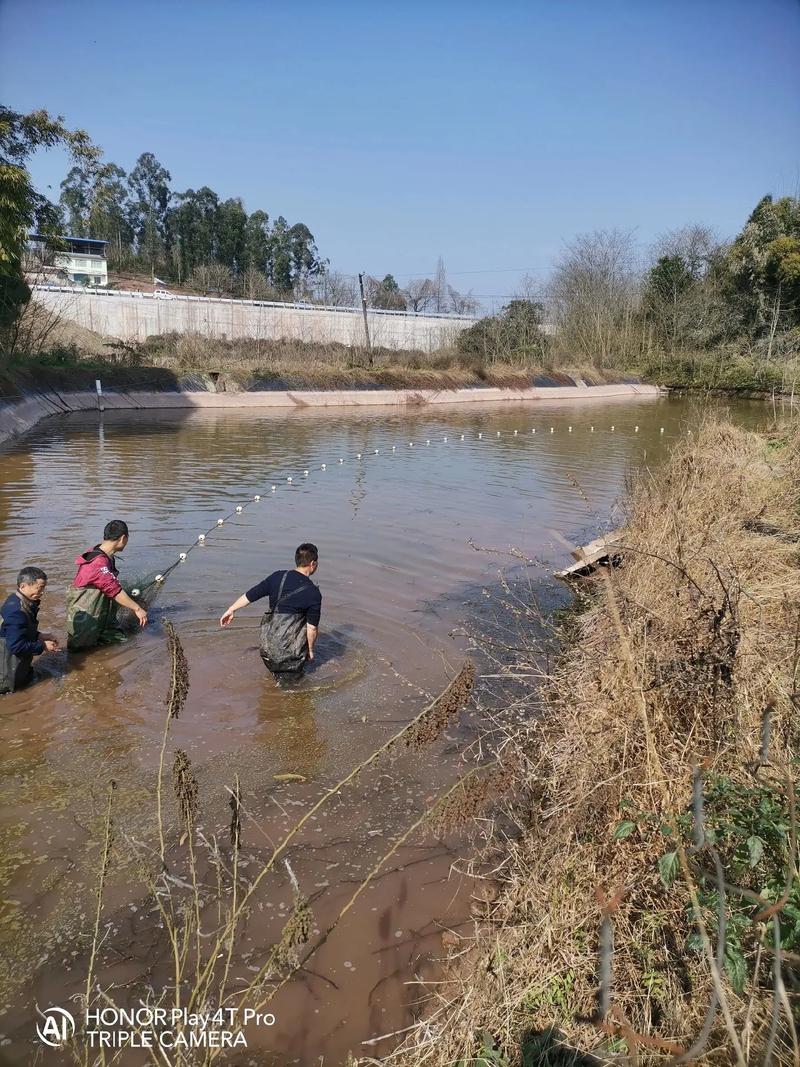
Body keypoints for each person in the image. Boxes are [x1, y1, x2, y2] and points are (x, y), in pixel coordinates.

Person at [220, 543, 322, 676]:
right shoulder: (313, 593)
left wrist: (231, 609)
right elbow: (312, 629)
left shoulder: (277, 577)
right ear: (313, 563)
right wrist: (310, 650)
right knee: (293, 690)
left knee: (275, 681)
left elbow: (251, 595)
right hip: (291, 654)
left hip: (267, 649)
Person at [66, 520, 148, 652]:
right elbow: (114, 590)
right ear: (123, 538)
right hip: (86, 621)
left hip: (102, 618)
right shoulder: (97, 562)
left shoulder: (104, 554)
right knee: (80, 655)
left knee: (123, 644)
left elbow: (109, 585)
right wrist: (137, 609)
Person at [1, 567, 60, 694]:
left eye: (43, 588)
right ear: (23, 586)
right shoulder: (17, 611)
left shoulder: (16, 599)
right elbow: (15, 646)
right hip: (6, 675)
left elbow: (15, 632)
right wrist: (43, 646)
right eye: (39, 588)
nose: (42, 592)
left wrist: (39, 635)